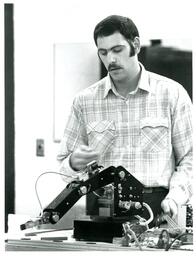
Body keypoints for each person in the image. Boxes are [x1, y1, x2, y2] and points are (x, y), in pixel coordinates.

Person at [57, 15, 192, 226]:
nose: (110, 59)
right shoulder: (84, 101)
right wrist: (73, 163)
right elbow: (63, 168)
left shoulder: (172, 94)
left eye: (117, 50)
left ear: (135, 45)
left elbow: (190, 158)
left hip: (158, 210)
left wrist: (175, 197)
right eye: (103, 52)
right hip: (101, 212)